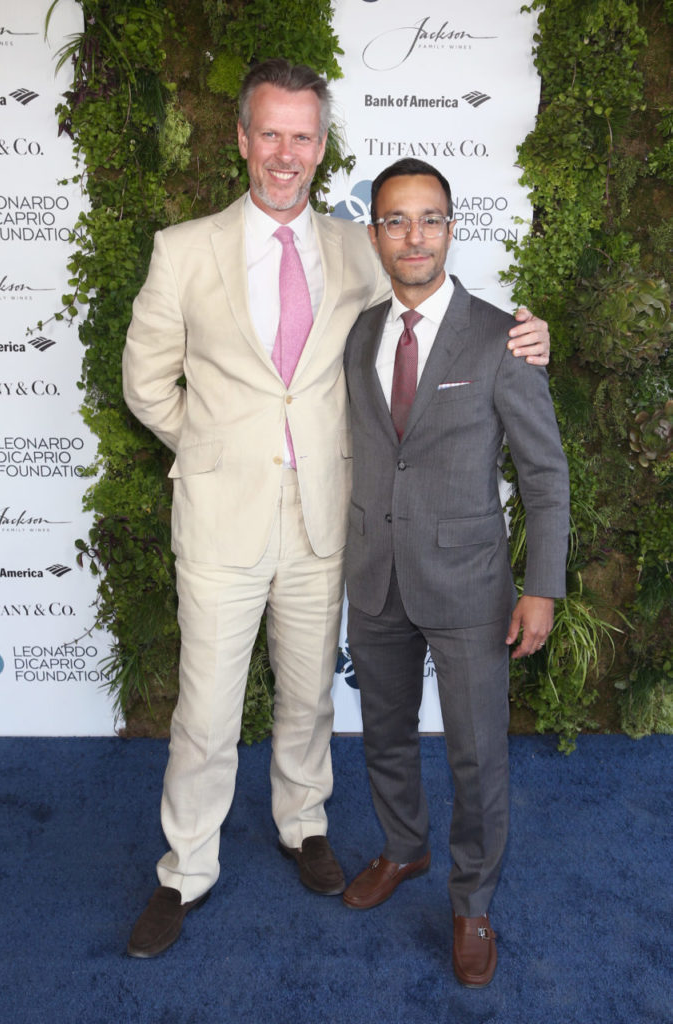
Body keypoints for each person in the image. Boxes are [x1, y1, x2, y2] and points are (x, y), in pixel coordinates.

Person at [122, 60, 551, 959]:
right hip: (223, 516)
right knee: (206, 711)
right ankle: (185, 869)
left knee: (309, 696)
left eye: (303, 136)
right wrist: (216, 448)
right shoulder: (183, 248)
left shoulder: (361, 246)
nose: (286, 153)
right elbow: (145, 382)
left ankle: (303, 825)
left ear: (323, 147)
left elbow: (434, 307)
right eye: (270, 133)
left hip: (332, 521)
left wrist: (528, 333)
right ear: (243, 139)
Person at [341, 158, 570, 989]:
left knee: (477, 756)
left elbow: (544, 473)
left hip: (470, 585)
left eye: (430, 218)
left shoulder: (502, 336)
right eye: (396, 220)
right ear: (375, 235)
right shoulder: (359, 333)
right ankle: (403, 848)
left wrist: (541, 586)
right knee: (384, 734)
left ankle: (472, 900)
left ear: (451, 228)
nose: (414, 236)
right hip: (375, 575)